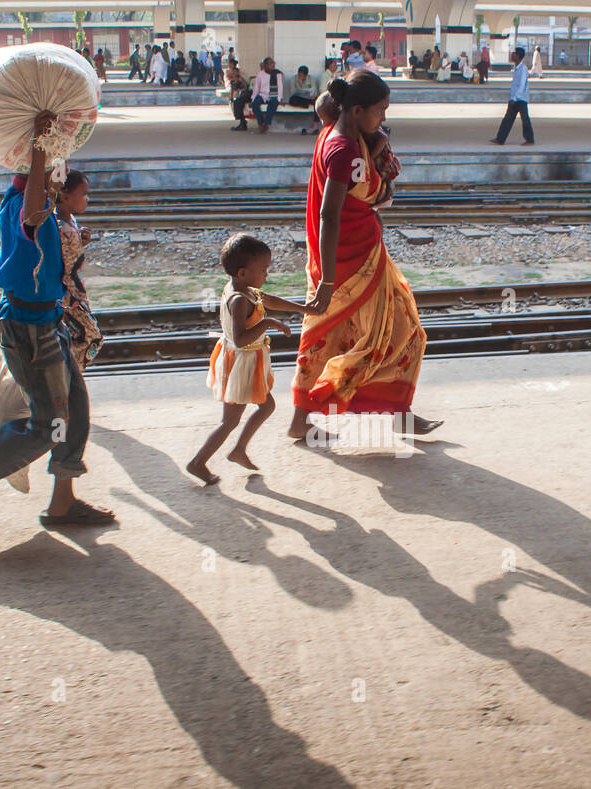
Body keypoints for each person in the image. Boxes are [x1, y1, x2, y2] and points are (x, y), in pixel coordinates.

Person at [0, 110, 114, 531]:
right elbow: (33, 213)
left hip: (46, 323)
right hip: (30, 330)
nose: (58, 178)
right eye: (55, 171)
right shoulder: (26, 206)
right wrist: (39, 146)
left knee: (77, 412)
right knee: (47, 426)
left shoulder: (34, 203)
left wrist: (42, 153)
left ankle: (63, 504)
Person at [289, 69, 442, 442]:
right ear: (356, 110)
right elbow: (329, 213)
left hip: (364, 252)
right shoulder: (342, 150)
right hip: (347, 261)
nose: (384, 120)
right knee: (381, 335)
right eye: (380, 110)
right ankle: (319, 410)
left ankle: (392, 411)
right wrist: (326, 279)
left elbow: (325, 103)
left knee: (386, 331)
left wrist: (372, 148)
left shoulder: (342, 128)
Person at [188, 233, 313, 484]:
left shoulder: (243, 287)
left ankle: (238, 450)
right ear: (243, 272)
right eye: (264, 269)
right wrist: (267, 322)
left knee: (265, 406)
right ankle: (199, 462)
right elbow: (240, 338)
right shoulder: (239, 300)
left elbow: (269, 300)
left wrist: (303, 309)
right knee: (230, 421)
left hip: (247, 362)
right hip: (240, 365)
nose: (267, 274)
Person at [54, 169, 104, 371]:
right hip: (69, 298)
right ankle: (68, 375)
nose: (87, 198)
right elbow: (62, 264)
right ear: (65, 197)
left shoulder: (68, 223)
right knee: (92, 338)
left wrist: (79, 239)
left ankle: (67, 374)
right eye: (83, 194)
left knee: (84, 337)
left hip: (75, 296)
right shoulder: (61, 229)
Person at [489, 46, 534, 146]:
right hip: (514, 98)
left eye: (514, 53)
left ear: (518, 56)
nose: (512, 55)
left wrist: (514, 98)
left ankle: (530, 140)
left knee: (525, 119)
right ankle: (500, 139)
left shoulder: (523, 69)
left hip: (520, 99)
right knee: (507, 119)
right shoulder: (516, 69)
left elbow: (522, 85)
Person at [251, 56, 282, 134]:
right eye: (270, 64)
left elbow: (280, 87)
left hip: (273, 95)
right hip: (262, 95)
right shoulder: (260, 74)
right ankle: (261, 122)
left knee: (273, 105)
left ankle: (266, 123)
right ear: (265, 65)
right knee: (255, 104)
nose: (272, 65)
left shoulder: (278, 74)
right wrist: (253, 98)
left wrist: (279, 99)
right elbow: (256, 87)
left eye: (273, 63)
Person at [227, 59, 250, 131]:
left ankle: (242, 122)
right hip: (237, 94)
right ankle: (242, 122)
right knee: (237, 107)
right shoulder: (232, 77)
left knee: (238, 106)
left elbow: (244, 85)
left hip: (241, 93)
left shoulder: (237, 74)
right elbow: (232, 88)